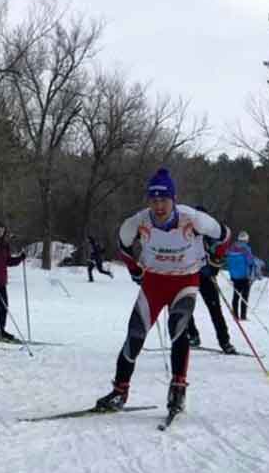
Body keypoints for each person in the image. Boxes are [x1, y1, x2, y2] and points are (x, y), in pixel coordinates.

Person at [95, 168, 231, 414]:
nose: (159, 206)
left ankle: (178, 389)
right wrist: (135, 269)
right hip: (154, 283)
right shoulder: (137, 222)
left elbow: (225, 235)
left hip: (185, 281)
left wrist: (215, 261)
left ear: (173, 200)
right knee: (135, 333)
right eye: (154, 200)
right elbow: (123, 244)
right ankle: (120, 390)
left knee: (178, 329)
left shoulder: (194, 219)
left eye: (164, 200)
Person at [185, 206, 237, 354]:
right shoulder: (185, 231)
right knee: (185, 306)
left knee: (215, 309)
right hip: (189, 275)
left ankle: (225, 341)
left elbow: (222, 248)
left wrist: (214, 264)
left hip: (206, 277)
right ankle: (192, 335)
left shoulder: (211, 234)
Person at [0, 220, 25, 342]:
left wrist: (20, 258)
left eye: (2, 230)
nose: (0, 232)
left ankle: (1, 330)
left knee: (4, 306)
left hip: (1, 280)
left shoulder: (5, 245)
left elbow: (8, 261)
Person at [226, 231, 257, 320]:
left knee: (236, 296)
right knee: (244, 296)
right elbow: (250, 261)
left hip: (234, 276)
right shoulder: (246, 248)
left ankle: (235, 315)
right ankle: (243, 316)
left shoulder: (231, 248)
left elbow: (228, 260)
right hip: (244, 276)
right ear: (246, 239)